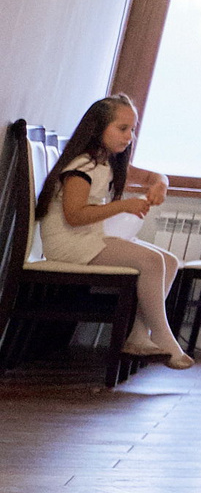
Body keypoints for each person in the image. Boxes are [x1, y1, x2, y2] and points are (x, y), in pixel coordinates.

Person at [33, 94, 189, 367]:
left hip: (87, 238)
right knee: (152, 261)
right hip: (69, 242)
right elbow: (75, 216)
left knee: (170, 261)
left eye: (133, 129)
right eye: (122, 128)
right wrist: (123, 206)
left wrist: (160, 184)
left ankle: (140, 336)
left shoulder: (105, 163)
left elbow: (153, 176)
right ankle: (163, 336)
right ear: (98, 128)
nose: (129, 136)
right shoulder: (82, 166)